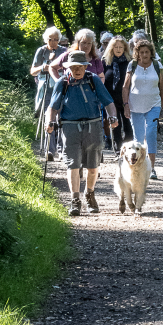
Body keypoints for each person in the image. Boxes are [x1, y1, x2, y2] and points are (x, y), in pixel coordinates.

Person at [46, 50, 119, 216]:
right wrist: (49, 122)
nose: (77, 70)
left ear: (86, 66)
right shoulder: (63, 82)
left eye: (80, 66)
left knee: (93, 167)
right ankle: (75, 200)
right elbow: (53, 106)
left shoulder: (93, 79)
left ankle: (90, 194)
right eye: (73, 67)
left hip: (93, 126)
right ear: (68, 67)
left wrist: (113, 116)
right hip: (70, 127)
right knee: (73, 164)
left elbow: (108, 102)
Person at [122, 39, 163, 180]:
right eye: (141, 52)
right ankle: (138, 168)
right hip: (135, 106)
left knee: (151, 133)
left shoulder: (156, 65)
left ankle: (152, 168)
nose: (144, 54)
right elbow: (125, 87)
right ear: (137, 53)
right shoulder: (132, 65)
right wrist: (126, 105)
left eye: (147, 52)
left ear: (151, 53)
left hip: (154, 104)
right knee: (138, 139)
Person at [31, 26, 66, 161]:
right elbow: (33, 71)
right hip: (46, 88)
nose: (53, 43)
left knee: (62, 118)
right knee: (49, 118)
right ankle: (49, 150)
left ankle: (62, 150)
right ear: (46, 39)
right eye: (51, 40)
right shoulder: (41, 51)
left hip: (60, 87)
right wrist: (43, 67)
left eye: (56, 40)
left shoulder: (63, 51)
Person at [102, 35, 133, 153]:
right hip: (111, 98)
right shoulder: (105, 62)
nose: (118, 49)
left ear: (125, 48)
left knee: (128, 125)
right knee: (115, 124)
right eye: (116, 47)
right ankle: (118, 147)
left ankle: (128, 148)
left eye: (121, 47)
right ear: (111, 48)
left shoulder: (130, 62)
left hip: (126, 98)